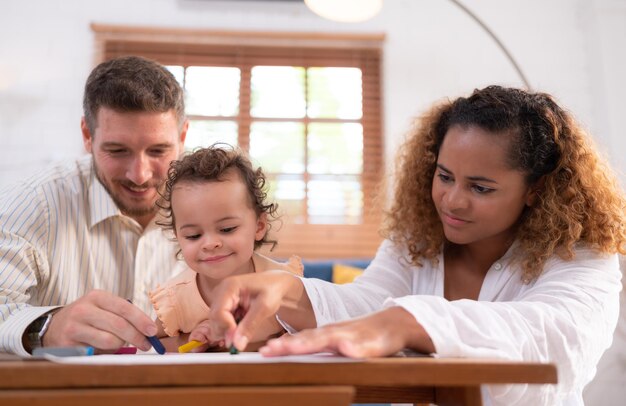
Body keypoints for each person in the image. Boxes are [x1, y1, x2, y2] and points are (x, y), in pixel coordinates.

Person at [206, 86, 626, 405]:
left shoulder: (584, 256)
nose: (453, 200)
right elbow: (368, 303)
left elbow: (546, 337)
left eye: (480, 187)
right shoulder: (418, 238)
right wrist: (284, 290)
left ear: (535, 189)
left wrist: (405, 322)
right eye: (444, 177)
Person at [0, 55, 188, 356]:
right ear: (88, 136)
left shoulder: (216, 203)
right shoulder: (32, 206)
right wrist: (44, 328)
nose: (139, 174)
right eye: (118, 150)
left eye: (158, 150)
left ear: (182, 136)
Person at [148, 146, 303, 352]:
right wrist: (190, 341)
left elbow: (313, 332)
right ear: (178, 237)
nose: (210, 243)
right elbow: (154, 347)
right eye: (193, 235)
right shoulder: (176, 298)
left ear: (259, 226)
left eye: (227, 229)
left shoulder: (281, 283)